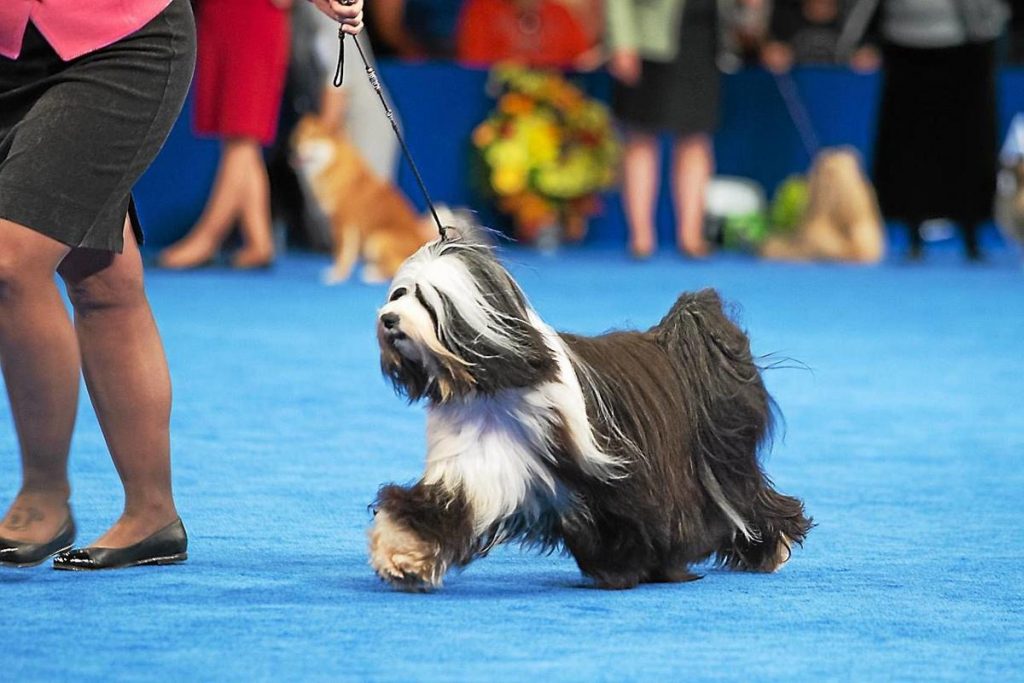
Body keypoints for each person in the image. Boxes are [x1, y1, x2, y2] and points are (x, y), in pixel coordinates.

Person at [0, 0, 362, 570]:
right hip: (11, 54)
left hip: (119, 40)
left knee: (10, 260)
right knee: (101, 277)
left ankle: (43, 494)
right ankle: (152, 514)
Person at [607, 0, 761, 258]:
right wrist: (622, 41)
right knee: (642, 135)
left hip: (705, 40)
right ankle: (640, 237)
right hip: (649, 41)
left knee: (696, 136)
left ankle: (691, 236)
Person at [156, 0, 293, 270]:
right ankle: (259, 240)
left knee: (242, 130)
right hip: (219, 12)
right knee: (236, 131)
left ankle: (207, 238)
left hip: (255, 14)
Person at [871, 0, 1009, 261]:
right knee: (908, 145)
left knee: (970, 145)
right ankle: (912, 235)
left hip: (970, 46)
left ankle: (972, 235)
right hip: (904, 47)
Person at [456, 0, 595, 69]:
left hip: (556, 103)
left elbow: (581, 62)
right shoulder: (481, 11)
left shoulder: (560, 13)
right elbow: (475, 66)